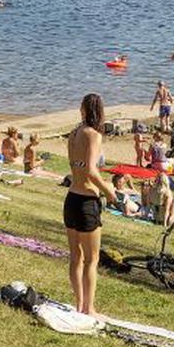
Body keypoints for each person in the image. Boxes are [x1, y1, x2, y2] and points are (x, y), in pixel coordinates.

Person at [64, 94, 116, 316]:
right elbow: (91, 171)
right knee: (92, 259)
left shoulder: (74, 133)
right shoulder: (94, 135)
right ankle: (89, 308)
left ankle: (79, 304)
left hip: (71, 199)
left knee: (76, 257)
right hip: (86, 201)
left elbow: (75, 165)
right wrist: (109, 191)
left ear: (84, 110)